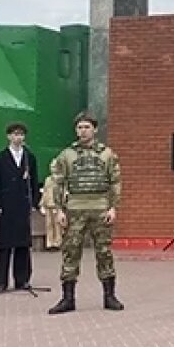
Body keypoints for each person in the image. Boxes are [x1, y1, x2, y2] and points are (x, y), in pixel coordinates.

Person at [47, 112, 124, 314]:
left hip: (100, 208)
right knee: (70, 253)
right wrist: (58, 209)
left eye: (87, 127)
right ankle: (68, 298)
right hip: (74, 209)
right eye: (80, 127)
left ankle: (110, 296)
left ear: (95, 129)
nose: (83, 131)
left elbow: (115, 182)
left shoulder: (107, 154)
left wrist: (113, 207)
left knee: (104, 253)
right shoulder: (67, 155)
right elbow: (58, 182)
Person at [0, 122, 40, 292]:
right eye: (15, 134)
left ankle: (22, 279)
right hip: (6, 205)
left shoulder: (29, 157)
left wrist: (34, 202)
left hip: (22, 205)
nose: (18, 137)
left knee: (23, 244)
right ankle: (1, 281)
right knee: (5, 245)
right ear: (9, 136)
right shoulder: (1, 157)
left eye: (21, 134)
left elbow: (33, 181)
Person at [39, 158, 63, 250]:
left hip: (57, 206)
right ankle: (50, 243)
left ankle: (58, 242)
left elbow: (63, 192)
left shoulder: (61, 180)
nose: (52, 168)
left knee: (57, 225)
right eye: (51, 167)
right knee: (49, 225)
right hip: (48, 205)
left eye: (54, 167)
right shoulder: (48, 179)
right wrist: (42, 204)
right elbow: (45, 192)